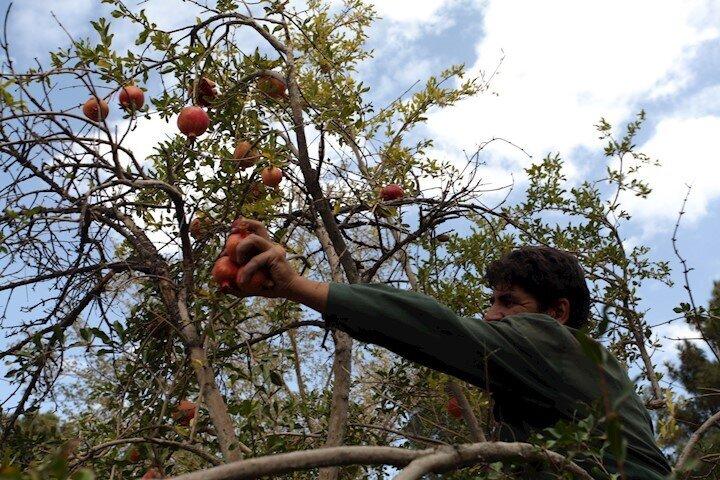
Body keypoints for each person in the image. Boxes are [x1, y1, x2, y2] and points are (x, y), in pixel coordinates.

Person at [228, 218, 671, 479]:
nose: (492, 314)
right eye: (492, 301)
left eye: (508, 303)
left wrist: (299, 286)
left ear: (556, 312)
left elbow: (439, 330)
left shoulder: (556, 341)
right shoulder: (577, 371)